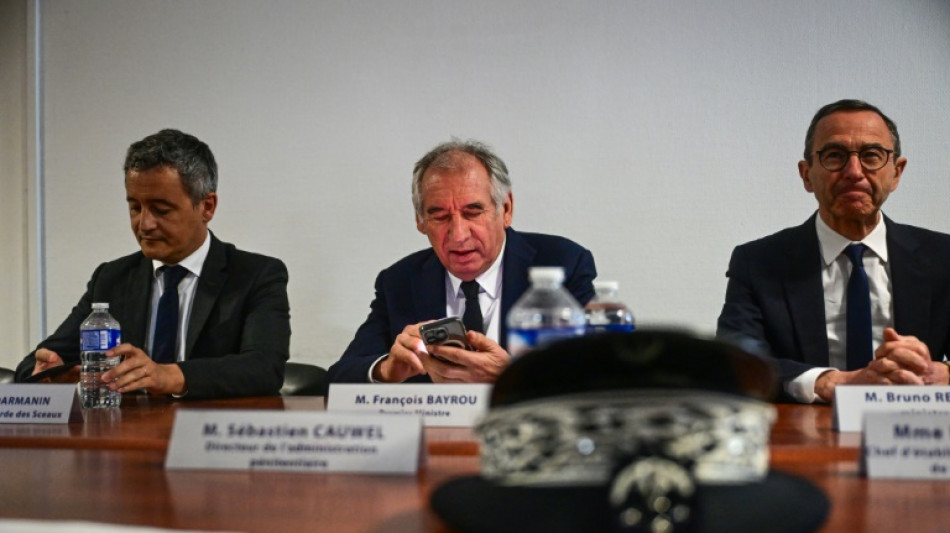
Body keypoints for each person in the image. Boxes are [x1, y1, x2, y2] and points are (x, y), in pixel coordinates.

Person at [15, 129, 291, 398]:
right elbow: (35, 363)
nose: (144, 224)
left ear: (207, 206)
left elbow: (264, 367)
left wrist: (170, 376)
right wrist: (47, 374)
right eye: (135, 208)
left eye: (161, 210)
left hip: (210, 427)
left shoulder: (255, 275)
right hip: (131, 427)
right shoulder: (112, 278)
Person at [717, 99, 950, 403]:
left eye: (871, 155)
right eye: (834, 156)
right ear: (806, 175)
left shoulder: (943, 257)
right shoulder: (757, 262)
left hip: (913, 426)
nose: (854, 171)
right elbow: (736, 361)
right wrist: (831, 382)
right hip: (805, 427)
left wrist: (941, 373)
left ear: (896, 172)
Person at [328, 139, 597, 384]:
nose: (458, 235)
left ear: (506, 209)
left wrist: (512, 377)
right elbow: (338, 379)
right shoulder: (400, 281)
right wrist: (387, 370)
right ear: (420, 221)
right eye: (440, 217)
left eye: (473, 212)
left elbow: (600, 373)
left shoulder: (563, 264)